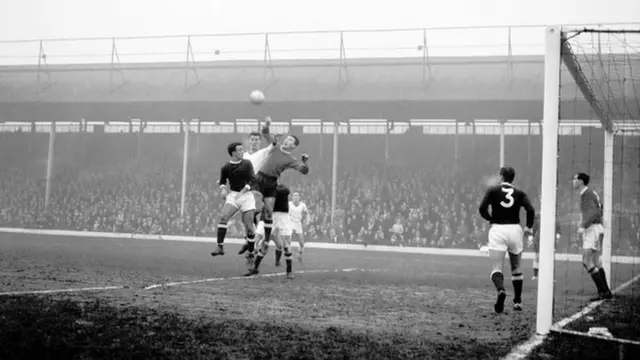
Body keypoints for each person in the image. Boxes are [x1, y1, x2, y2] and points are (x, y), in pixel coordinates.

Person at [479, 166, 535, 314]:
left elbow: (482, 208)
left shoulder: (492, 190)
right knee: (516, 266)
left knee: (497, 267)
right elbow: (531, 210)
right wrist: (528, 227)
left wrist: (490, 218)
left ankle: (501, 290)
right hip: (515, 230)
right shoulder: (520, 193)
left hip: (498, 229)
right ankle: (517, 301)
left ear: (501, 176)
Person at [210, 142, 256, 257]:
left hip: (247, 196)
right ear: (233, 153)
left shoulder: (247, 163)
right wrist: (223, 189)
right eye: (240, 150)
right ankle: (220, 247)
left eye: (242, 149)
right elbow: (222, 181)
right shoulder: (225, 167)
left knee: (250, 228)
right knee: (223, 217)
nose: (242, 152)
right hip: (234, 196)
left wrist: (243, 191)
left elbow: (253, 180)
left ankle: (251, 252)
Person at [572, 172, 612, 301]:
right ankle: (606, 292)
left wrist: (584, 225)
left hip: (592, 229)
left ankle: (602, 291)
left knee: (586, 261)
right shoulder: (592, 193)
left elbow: (593, 212)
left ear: (581, 181)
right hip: (597, 228)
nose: (573, 181)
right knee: (596, 262)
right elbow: (599, 209)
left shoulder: (587, 194)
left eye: (574, 179)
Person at [246, 183, 295, 279]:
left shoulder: (280, 188)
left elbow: (286, 190)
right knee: (266, 244)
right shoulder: (268, 191)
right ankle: (255, 268)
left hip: (283, 217)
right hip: (274, 217)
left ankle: (289, 271)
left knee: (286, 245)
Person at [289, 192, 308, 261]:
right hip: (290, 223)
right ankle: (288, 255)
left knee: (301, 243)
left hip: (298, 224)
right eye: (294, 196)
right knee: (288, 240)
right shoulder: (289, 204)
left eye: (297, 196)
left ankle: (300, 254)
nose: (296, 197)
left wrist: (305, 222)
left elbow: (305, 214)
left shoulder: (303, 205)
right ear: (292, 197)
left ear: (299, 198)